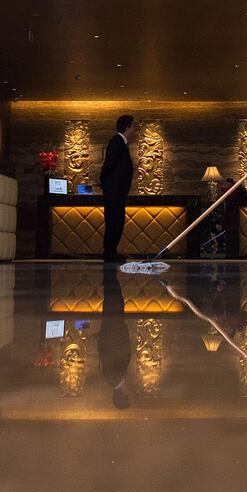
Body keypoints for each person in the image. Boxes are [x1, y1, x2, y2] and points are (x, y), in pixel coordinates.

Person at [100, 115, 136, 262]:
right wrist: (105, 184)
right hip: (114, 192)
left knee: (117, 221)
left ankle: (111, 252)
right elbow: (108, 165)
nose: (135, 130)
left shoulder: (120, 142)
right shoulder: (117, 142)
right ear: (127, 127)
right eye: (133, 127)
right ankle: (109, 253)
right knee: (114, 221)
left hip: (117, 192)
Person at [99, 267, 132, 409]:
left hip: (113, 324)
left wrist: (118, 330)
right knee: (114, 293)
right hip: (114, 324)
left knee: (113, 293)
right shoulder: (115, 378)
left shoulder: (114, 377)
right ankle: (110, 269)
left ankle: (110, 266)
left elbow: (109, 350)